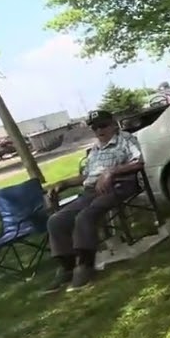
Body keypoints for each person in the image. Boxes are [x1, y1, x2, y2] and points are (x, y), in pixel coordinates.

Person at [42, 110, 144, 292]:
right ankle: (67, 266)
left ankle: (85, 264)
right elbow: (86, 176)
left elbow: (138, 163)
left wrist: (111, 172)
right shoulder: (95, 149)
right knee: (56, 220)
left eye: (103, 125)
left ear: (113, 124)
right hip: (91, 191)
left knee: (85, 216)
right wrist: (63, 183)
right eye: (95, 127)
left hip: (119, 185)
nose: (99, 130)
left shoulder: (126, 139)